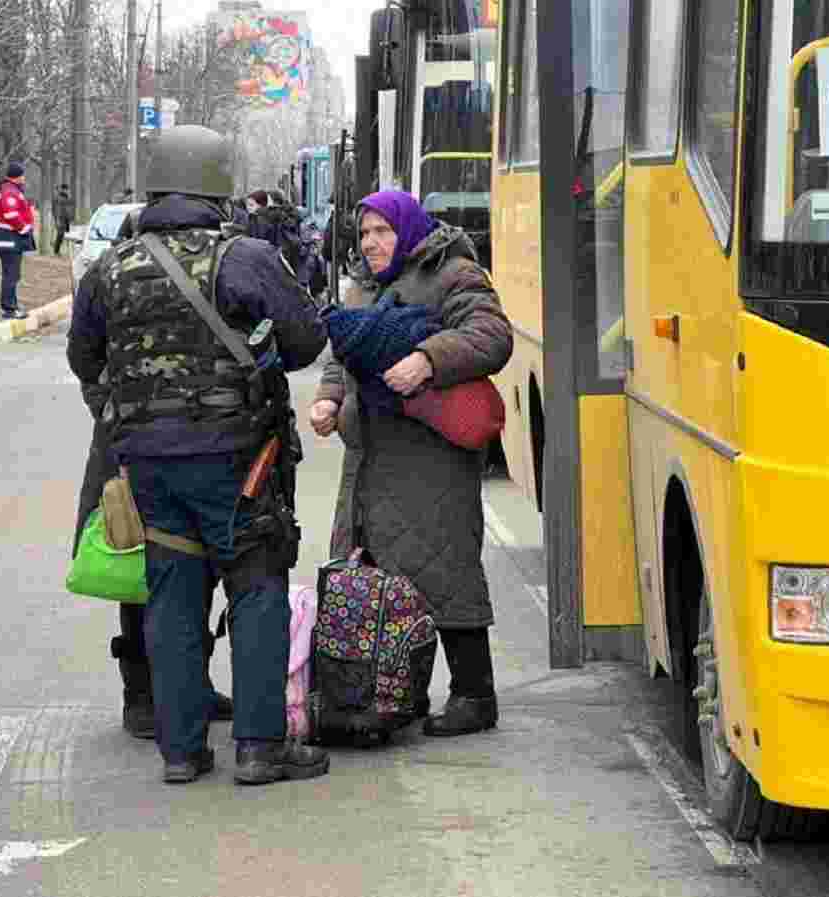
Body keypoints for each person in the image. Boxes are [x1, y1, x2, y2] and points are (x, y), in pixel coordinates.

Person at [68, 125, 331, 786]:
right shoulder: (244, 258)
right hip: (240, 462)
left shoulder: (109, 268)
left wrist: (121, 412)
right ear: (218, 187)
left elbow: (84, 358)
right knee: (257, 585)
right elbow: (305, 341)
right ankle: (259, 747)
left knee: (173, 594)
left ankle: (181, 751)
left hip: (148, 466)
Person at [308, 190, 513, 737]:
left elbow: (492, 335)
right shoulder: (364, 286)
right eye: (365, 233)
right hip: (371, 458)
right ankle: (401, 692)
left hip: (431, 456)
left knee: (444, 569)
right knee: (379, 578)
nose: (371, 243)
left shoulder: (454, 273)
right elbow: (342, 354)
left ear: (409, 230)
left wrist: (427, 359)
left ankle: (474, 695)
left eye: (383, 231)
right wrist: (329, 399)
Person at [72, 204, 232, 742]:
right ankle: (141, 695)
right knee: (139, 569)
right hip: (128, 451)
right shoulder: (113, 282)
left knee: (183, 571)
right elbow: (85, 361)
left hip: (156, 444)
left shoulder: (133, 280)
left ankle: (186, 688)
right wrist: (111, 409)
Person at [0, 162, 34, 320]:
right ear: (17, 176)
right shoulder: (9, 191)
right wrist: (24, 229)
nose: (24, 178)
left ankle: (12, 306)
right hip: (9, 240)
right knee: (11, 275)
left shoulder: (11, 189)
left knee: (12, 275)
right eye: (23, 175)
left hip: (10, 239)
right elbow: (11, 215)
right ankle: (9, 309)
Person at [52, 184, 75, 255]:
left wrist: (71, 217)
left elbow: (70, 208)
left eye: (67, 189)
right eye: (65, 189)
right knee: (60, 234)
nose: (67, 191)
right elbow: (56, 210)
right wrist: (57, 219)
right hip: (61, 219)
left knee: (65, 235)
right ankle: (56, 251)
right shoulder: (58, 198)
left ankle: (65, 251)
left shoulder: (68, 198)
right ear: (62, 189)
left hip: (67, 219)